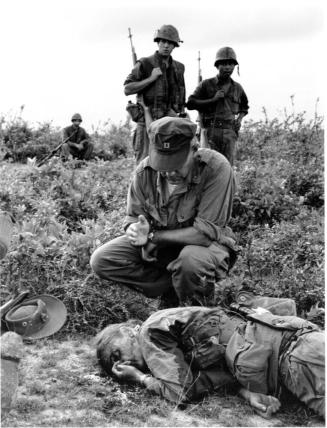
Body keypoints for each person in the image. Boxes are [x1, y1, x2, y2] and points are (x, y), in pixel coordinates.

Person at [95, 296, 325, 419]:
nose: (125, 363)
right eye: (117, 365)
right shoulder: (177, 342)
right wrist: (247, 394)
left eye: (117, 355)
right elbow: (215, 373)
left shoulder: (149, 331)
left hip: (296, 355)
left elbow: (181, 392)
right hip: (295, 362)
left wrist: (140, 379)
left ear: (129, 330)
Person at [90, 115, 237, 307]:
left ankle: (196, 312)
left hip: (204, 247)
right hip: (160, 247)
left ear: (194, 150)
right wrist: (135, 230)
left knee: (191, 261)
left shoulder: (216, 168)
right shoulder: (144, 171)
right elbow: (133, 217)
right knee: (102, 260)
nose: (169, 173)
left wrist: (153, 237)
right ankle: (172, 291)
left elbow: (203, 235)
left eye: (176, 165)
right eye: (163, 165)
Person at [124, 25, 186, 163]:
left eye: (170, 43)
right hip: (146, 121)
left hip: (168, 123)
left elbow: (181, 96)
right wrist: (151, 79)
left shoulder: (179, 68)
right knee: (144, 163)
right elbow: (127, 89)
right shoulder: (145, 63)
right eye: (163, 42)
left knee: (169, 164)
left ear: (175, 46)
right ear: (158, 42)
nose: (166, 46)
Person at [186, 47, 249, 166]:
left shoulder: (237, 88)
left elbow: (244, 107)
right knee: (207, 166)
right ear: (217, 65)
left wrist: (239, 119)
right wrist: (213, 100)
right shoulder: (206, 84)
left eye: (230, 64)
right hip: (210, 131)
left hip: (229, 134)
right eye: (224, 64)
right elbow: (190, 103)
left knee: (227, 168)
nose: (227, 68)